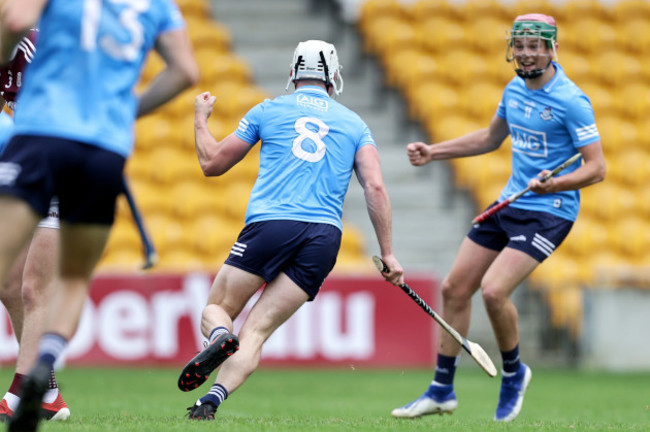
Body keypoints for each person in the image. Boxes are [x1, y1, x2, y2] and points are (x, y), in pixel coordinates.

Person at [391, 14, 606, 422]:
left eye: (534, 45)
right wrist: (434, 151)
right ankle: (441, 389)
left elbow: (596, 168)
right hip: (510, 203)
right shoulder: (513, 89)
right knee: (455, 288)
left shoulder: (572, 101)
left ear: (551, 48)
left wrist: (554, 186)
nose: (525, 53)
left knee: (493, 291)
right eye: (520, 45)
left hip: (550, 211)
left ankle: (513, 373)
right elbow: (491, 138)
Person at [179, 39, 404, 420]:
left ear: (292, 74)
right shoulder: (355, 124)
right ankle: (210, 401)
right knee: (258, 330)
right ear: (334, 76)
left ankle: (219, 338)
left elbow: (212, 163)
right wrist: (388, 253)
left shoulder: (268, 110)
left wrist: (200, 117)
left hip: (272, 223)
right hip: (324, 238)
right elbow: (376, 187)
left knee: (218, 308)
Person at [0, 1, 199, 431]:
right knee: (37, 283)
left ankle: (26, 390)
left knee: (37, 286)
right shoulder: (156, 5)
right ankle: (45, 382)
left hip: (37, 143)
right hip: (103, 148)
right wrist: (125, 113)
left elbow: (15, 22)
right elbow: (186, 70)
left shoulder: (38, 35)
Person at [0, 28, 70, 423]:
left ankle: (21, 392)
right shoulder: (5, 44)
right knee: (8, 284)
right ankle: (47, 391)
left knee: (33, 287)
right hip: (25, 167)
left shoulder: (52, 41)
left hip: (60, 163)